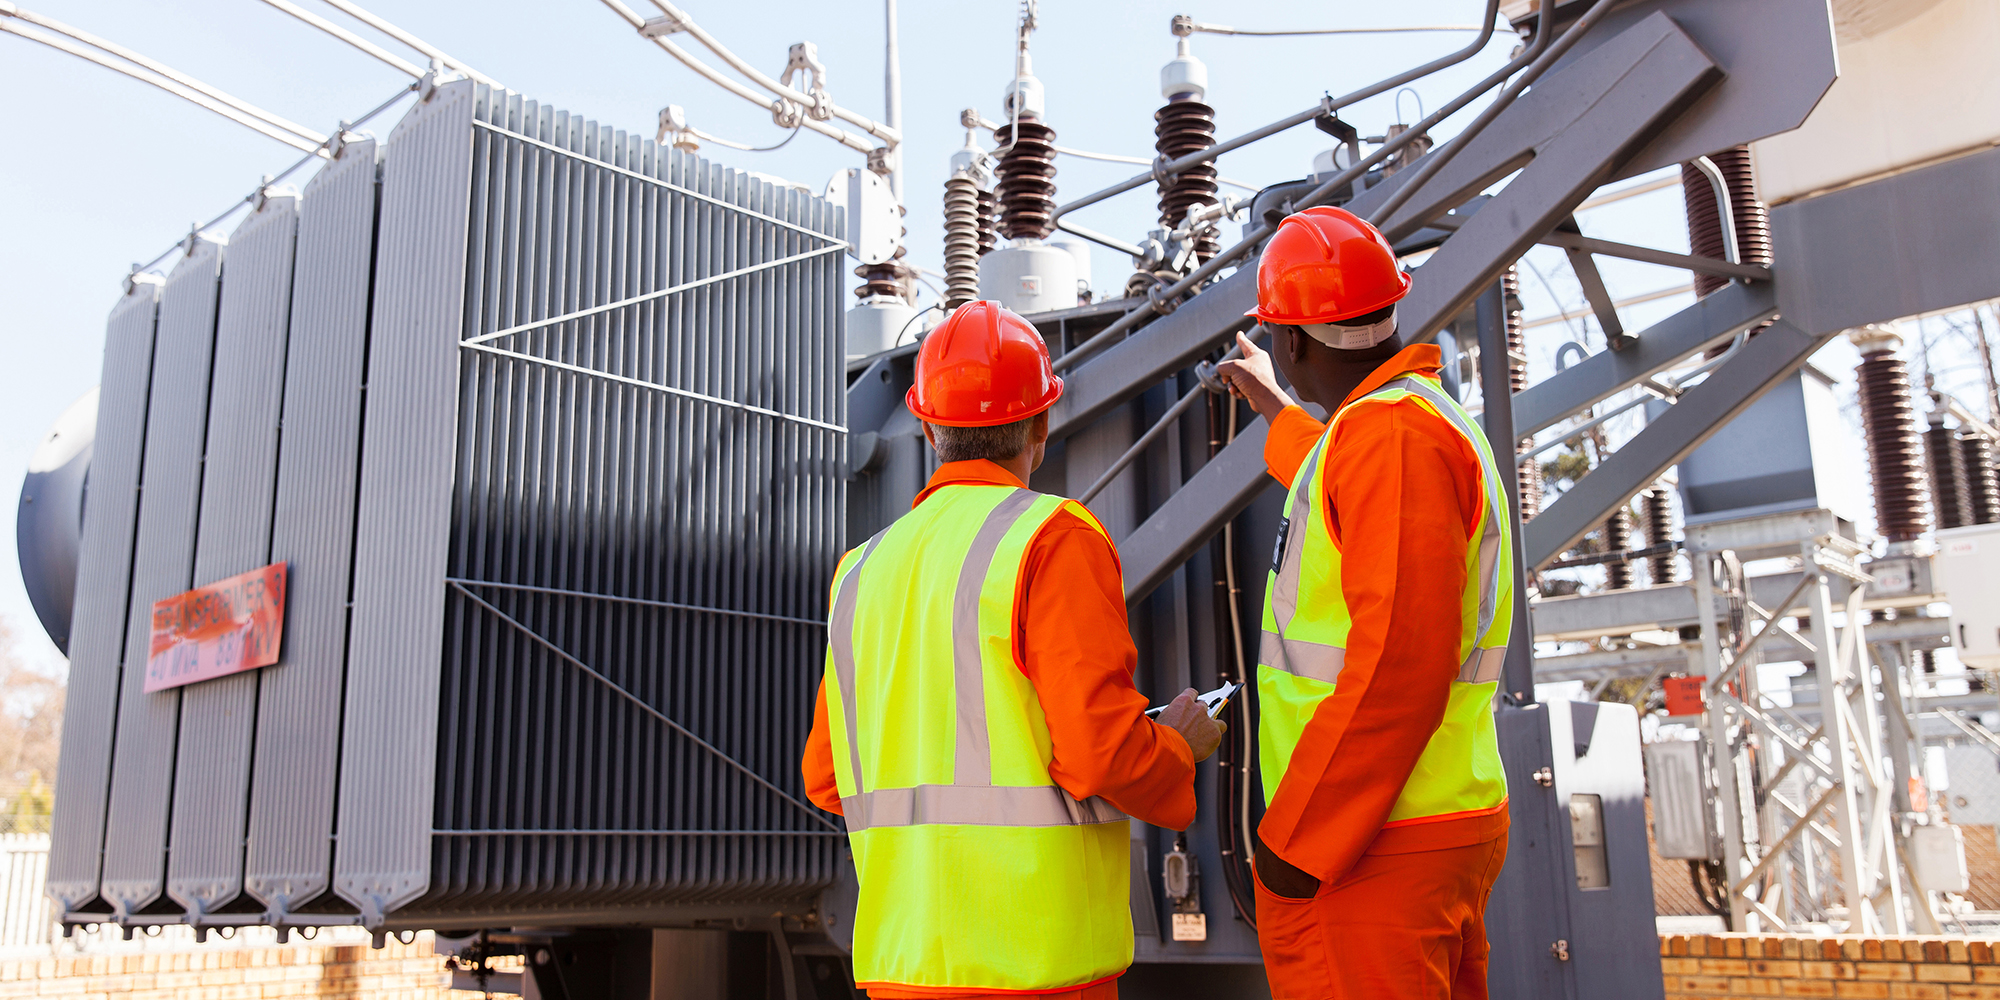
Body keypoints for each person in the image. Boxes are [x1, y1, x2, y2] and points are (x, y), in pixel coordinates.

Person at [801, 299, 1225, 1000]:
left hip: (901, 966)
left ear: (930, 428)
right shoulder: (1055, 539)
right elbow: (1100, 754)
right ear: (1041, 424)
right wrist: (1177, 747)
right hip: (1037, 971)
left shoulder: (860, 570)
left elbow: (827, 776)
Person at [1214, 206, 1515, 1000]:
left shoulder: (1393, 437)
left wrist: (1295, 844)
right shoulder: (1400, 426)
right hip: (1421, 818)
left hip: (1371, 840)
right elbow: (1343, 493)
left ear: (1293, 339)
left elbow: (1400, 664)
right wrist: (1276, 409)